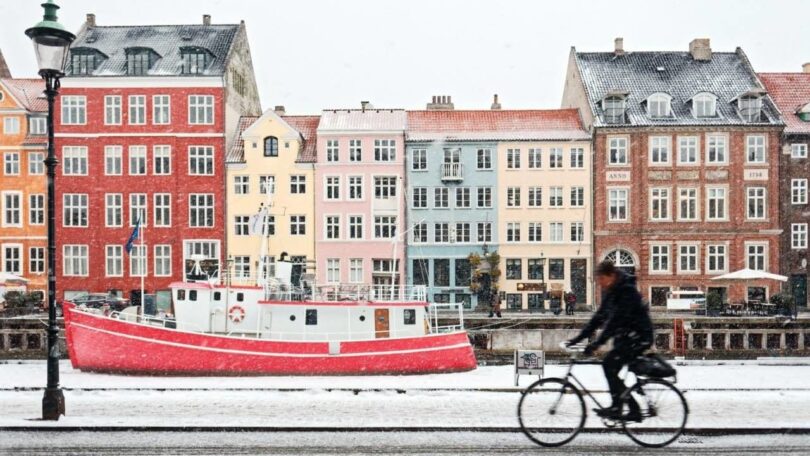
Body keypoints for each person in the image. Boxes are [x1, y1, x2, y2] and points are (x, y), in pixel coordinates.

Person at [566, 261, 653, 421]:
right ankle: (622, 407)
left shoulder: (626, 290)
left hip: (638, 337)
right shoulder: (612, 291)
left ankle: (625, 409)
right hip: (626, 337)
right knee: (610, 367)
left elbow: (615, 322)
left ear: (611, 276)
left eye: (601, 280)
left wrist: (596, 344)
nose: (601, 284)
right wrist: (578, 338)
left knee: (609, 366)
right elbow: (599, 317)